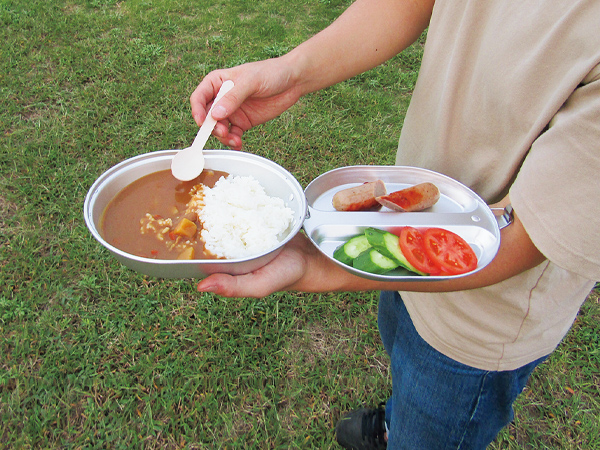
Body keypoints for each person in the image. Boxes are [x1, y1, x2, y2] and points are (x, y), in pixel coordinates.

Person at [190, 0, 600, 448]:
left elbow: (526, 236)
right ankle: (397, 421)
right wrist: (290, 73)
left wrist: (324, 268)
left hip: (483, 323)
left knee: (432, 423)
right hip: (398, 243)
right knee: (400, 353)